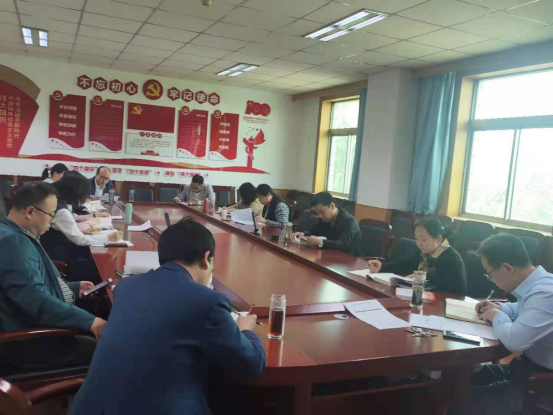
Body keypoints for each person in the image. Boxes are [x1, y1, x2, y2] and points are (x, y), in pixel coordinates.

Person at [69, 218, 266, 415]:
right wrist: (245, 330)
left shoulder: (126, 287)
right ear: (207, 258)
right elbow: (251, 366)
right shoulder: (208, 302)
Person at [0, 182, 106, 374]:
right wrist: (90, 321)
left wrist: (73, 288)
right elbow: (36, 301)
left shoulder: (12, 232)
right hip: (29, 345)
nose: (52, 221)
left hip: (29, 326)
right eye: (50, 215)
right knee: (108, 350)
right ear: (30, 211)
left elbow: (30, 286)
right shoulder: (13, 242)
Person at [448, 234, 553, 415]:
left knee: (458, 405)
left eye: (489, 274)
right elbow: (523, 308)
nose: (492, 280)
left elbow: (515, 341)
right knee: (459, 379)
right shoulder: (541, 284)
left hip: (541, 384)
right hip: (525, 368)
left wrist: (497, 315)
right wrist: (499, 307)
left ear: (506, 268)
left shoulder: (546, 293)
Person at [41, 172, 121, 281]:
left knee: (96, 254)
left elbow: (72, 218)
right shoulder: (62, 210)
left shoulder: (59, 202)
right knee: (99, 263)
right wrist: (108, 238)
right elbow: (79, 239)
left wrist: (88, 221)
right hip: (61, 255)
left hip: (57, 248)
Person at [368, 218, 466, 294]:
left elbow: (440, 285)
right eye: (416, 239)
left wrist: (419, 279)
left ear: (438, 239)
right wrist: (382, 267)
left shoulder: (451, 258)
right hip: (422, 296)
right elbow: (406, 264)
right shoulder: (426, 251)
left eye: (423, 239)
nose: (419, 244)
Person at [293, 192, 362, 256]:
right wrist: (304, 234)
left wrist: (320, 242)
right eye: (318, 213)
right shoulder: (325, 218)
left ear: (332, 206)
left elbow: (343, 245)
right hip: (330, 256)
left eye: (322, 211)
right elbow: (315, 231)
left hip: (349, 259)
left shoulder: (349, 221)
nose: (320, 216)